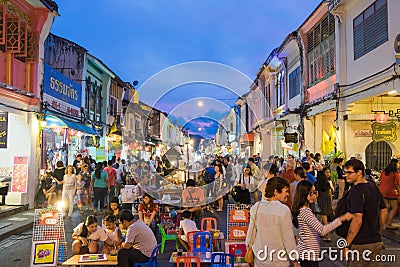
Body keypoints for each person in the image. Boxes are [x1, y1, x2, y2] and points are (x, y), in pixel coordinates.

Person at [292, 180, 352, 266]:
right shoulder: (305, 212)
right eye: (310, 193)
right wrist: (341, 219)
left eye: (315, 192)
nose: (313, 196)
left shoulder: (306, 210)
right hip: (308, 255)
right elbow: (322, 230)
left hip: (310, 254)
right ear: (303, 194)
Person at [246, 177, 299, 267]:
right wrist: (294, 259)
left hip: (260, 257)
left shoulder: (256, 207)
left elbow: (251, 234)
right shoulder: (283, 210)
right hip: (278, 259)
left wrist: (249, 249)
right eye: (285, 191)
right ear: (275, 191)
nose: (288, 194)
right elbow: (288, 238)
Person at [343, 159, 388, 267]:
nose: (346, 175)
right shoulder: (373, 186)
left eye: (349, 172)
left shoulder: (355, 191)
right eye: (345, 172)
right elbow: (384, 210)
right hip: (376, 241)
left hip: (360, 244)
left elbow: (357, 219)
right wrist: (379, 228)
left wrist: (347, 244)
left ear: (359, 172)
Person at [379, 158, 400, 230]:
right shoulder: (395, 173)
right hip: (391, 191)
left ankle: (383, 223)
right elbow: (397, 184)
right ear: (395, 164)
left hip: (382, 191)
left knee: (386, 207)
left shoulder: (384, 171)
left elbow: (380, 180)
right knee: (394, 207)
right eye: (398, 163)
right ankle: (389, 223)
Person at [315, 168, 334, 242]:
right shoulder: (327, 183)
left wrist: (316, 203)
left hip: (321, 201)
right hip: (327, 201)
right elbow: (330, 194)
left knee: (324, 219)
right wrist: (331, 204)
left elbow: (317, 195)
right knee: (324, 219)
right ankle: (323, 233)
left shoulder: (317, 184)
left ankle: (328, 236)